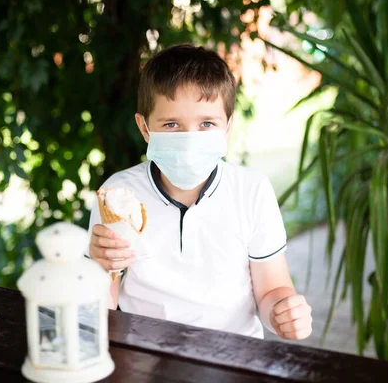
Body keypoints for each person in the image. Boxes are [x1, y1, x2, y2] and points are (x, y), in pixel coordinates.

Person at [87, 44, 312, 340]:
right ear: (144, 128)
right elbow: (101, 307)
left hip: (232, 354)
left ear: (228, 126)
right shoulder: (118, 195)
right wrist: (100, 270)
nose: (189, 139)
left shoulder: (251, 191)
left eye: (206, 123)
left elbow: (271, 289)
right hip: (145, 351)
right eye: (171, 124)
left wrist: (282, 313)